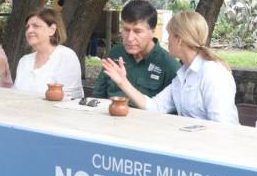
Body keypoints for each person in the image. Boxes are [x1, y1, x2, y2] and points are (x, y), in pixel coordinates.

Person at [101, 10, 238, 124]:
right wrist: (123, 83)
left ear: (179, 40)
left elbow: (223, 126)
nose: (167, 40)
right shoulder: (183, 74)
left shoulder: (213, 73)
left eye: (170, 35)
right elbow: (155, 107)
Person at [91, 0, 179, 99]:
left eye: (137, 31)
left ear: (152, 32)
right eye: (126, 30)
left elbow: (174, 110)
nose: (130, 38)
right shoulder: (116, 53)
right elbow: (98, 95)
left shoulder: (168, 65)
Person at [12, 7, 83, 99]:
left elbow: (71, 98)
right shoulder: (24, 61)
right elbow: (15, 95)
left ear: (52, 30)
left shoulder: (66, 57)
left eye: (36, 26)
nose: (29, 31)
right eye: (27, 27)